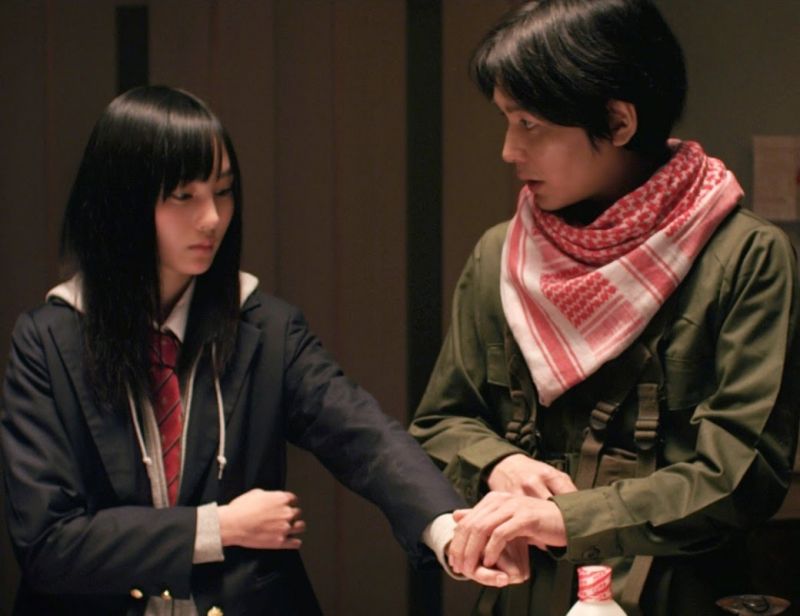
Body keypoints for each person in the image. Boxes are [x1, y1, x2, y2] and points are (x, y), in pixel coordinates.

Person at [0, 85, 525, 616]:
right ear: (122, 201)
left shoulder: (264, 326)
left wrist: (447, 528)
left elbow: (363, 436)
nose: (212, 218)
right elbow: (48, 544)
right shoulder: (50, 341)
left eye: (223, 192)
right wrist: (219, 527)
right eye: (184, 196)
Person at [409, 1, 800, 615]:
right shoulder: (503, 253)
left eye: (529, 123)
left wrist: (565, 518)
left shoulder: (745, 255)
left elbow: (741, 475)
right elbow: (440, 421)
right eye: (506, 121)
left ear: (618, 122)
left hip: (674, 595)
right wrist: (498, 462)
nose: (508, 150)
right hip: (522, 596)